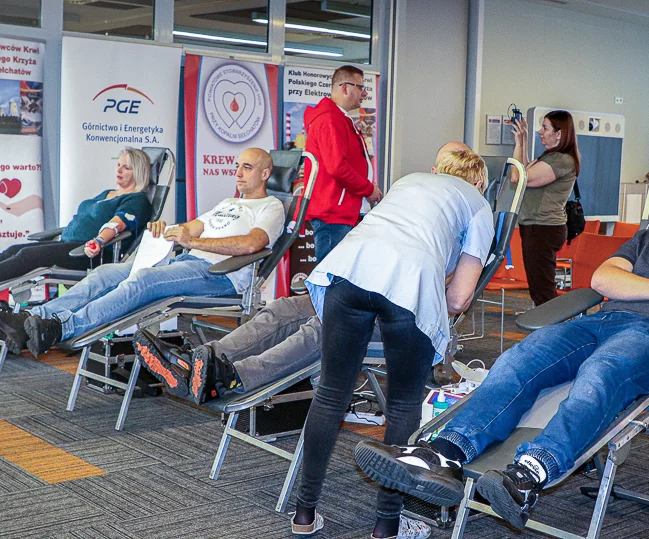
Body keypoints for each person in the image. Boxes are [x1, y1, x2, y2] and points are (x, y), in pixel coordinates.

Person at [353, 163, 649, 531]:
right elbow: (604, 279)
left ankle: (529, 474)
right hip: (599, 322)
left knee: (601, 372)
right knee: (520, 359)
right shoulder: (646, 240)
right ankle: (444, 453)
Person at [132, 143, 481, 409]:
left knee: (325, 327)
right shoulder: (413, 204)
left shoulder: (470, 216)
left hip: (405, 316)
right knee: (284, 309)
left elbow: (455, 301)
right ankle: (200, 361)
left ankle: (232, 377)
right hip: (365, 291)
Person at [286, 148, 494, 539]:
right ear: (479, 182)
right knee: (402, 404)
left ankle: (303, 514)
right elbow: (458, 299)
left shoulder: (408, 180)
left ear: (437, 171)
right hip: (409, 282)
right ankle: (386, 526)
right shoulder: (479, 204)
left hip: (347, 268)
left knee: (330, 395)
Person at [0, 148, 285, 358]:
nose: (238, 173)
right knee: (104, 274)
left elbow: (252, 244)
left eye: (247, 167)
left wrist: (194, 242)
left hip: (219, 275)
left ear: (265, 173)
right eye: (237, 166)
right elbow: (189, 228)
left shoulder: (271, 207)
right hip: (186, 262)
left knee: (144, 280)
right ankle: (33, 318)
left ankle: (60, 328)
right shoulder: (227, 203)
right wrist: (169, 229)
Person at [0, 147, 153, 302]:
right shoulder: (108, 193)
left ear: (139, 172)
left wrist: (99, 240)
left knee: (28, 257)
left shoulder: (136, 199)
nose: (119, 170)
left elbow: (117, 224)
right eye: (118, 164)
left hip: (88, 253)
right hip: (68, 244)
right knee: (14, 250)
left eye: (127, 167)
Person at [304, 64, 383, 262]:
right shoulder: (330, 119)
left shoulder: (337, 118)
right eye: (360, 87)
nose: (364, 94)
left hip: (339, 210)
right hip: (334, 214)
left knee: (337, 272)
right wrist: (368, 189)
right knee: (333, 274)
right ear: (345, 88)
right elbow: (337, 168)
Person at [508, 110, 581, 306]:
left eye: (545, 128)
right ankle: (547, 321)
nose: (540, 131)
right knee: (539, 287)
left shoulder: (561, 160)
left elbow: (517, 177)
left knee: (542, 291)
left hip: (543, 228)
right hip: (536, 227)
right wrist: (522, 139)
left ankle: (550, 323)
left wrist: (518, 144)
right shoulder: (551, 157)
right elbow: (524, 169)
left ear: (559, 133)